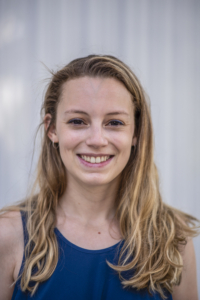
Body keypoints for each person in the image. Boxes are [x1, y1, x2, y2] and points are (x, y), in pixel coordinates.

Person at [0, 55, 199, 300]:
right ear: (52, 129)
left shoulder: (173, 239)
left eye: (114, 122)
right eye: (77, 121)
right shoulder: (7, 235)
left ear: (135, 131)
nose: (96, 140)